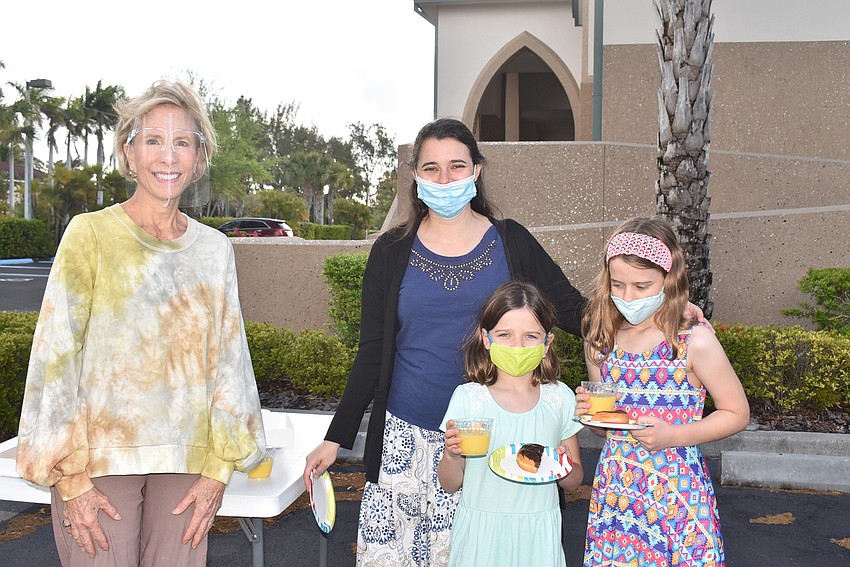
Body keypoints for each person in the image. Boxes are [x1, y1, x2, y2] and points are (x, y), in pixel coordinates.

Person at [302, 117, 588, 565]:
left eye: (457, 166)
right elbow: (373, 350)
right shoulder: (391, 250)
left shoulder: (510, 241)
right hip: (404, 438)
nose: (445, 178)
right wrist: (335, 438)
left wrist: (656, 318)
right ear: (415, 176)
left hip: (488, 440)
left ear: (477, 170)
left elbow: (572, 309)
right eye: (431, 168)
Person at [16, 80, 266, 567]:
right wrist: (70, 479)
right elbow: (55, 360)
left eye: (182, 142)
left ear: (199, 157)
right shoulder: (89, 235)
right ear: (129, 154)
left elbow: (230, 363)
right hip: (97, 465)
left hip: (188, 466)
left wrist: (218, 471)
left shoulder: (215, 250)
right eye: (153, 140)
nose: (168, 156)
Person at [579, 217, 750, 567]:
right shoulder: (600, 341)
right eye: (618, 285)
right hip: (617, 490)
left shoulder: (693, 342)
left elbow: (737, 413)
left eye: (642, 286)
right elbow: (605, 428)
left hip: (676, 489)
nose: (628, 296)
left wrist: (672, 436)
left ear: (668, 280)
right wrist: (591, 416)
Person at [438, 280, 584, 566]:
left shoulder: (560, 398)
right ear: (486, 338)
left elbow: (574, 481)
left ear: (547, 343)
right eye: (505, 335)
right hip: (481, 538)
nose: (517, 346)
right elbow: (450, 483)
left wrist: (563, 466)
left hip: (538, 537)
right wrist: (451, 456)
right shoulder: (469, 398)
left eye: (531, 336)